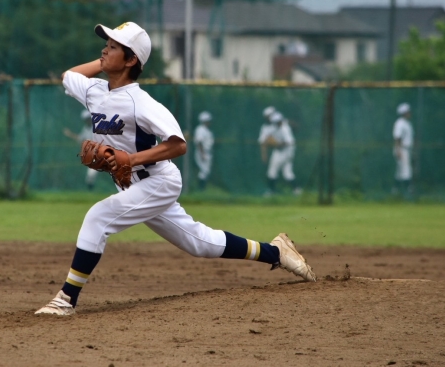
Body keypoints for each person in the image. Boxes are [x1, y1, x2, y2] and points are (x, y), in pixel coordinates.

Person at [35, 21, 316, 316]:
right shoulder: (94, 91)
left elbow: (178, 145)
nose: (104, 50)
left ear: (131, 60)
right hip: (133, 185)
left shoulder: (141, 103)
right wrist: (106, 61)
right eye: (106, 44)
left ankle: (66, 299)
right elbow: (69, 76)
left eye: (113, 46)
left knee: (98, 217)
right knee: (200, 243)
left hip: (158, 181)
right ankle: (276, 252)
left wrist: (130, 160)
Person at [263, 112, 301, 195]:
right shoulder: (275, 127)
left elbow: (288, 142)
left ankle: (271, 191)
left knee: (272, 171)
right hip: (285, 152)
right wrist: (273, 143)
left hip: (285, 152)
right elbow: (268, 138)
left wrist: (277, 144)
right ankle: (297, 189)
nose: (278, 122)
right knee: (287, 173)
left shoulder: (284, 128)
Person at [63, 109, 98, 190]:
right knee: (91, 174)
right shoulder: (86, 128)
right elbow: (80, 139)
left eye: (88, 118)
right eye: (86, 119)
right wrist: (70, 134)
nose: (87, 120)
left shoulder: (96, 127)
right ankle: (90, 187)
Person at [392, 102, 414, 196]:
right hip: (402, 149)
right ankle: (408, 191)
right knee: (406, 171)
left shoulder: (407, 123)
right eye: (408, 111)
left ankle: (395, 190)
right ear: (404, 113)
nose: (409, 113)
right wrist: (398, 150)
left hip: (406, 149)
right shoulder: (399, 123)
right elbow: (397, 138)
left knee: (399, 172)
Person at [193, 111, 214, 191]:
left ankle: (202, 189)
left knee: (206, 171)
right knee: (204, 171)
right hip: (202, 152)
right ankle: (201, 188)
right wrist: (202, 154)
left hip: (207, 152)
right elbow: (199, 142)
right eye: (208, 120)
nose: (209, 122)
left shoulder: (206, 130)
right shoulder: (200, 129)